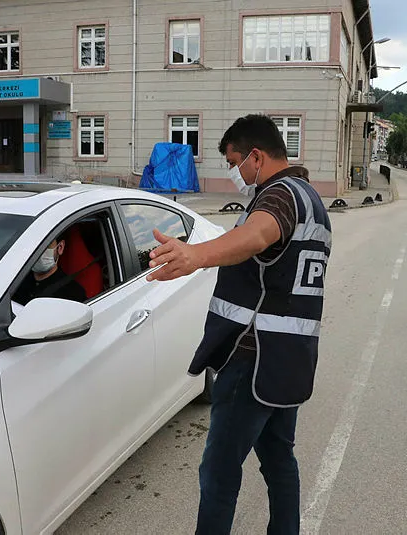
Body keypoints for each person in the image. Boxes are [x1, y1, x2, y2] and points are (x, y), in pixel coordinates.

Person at [146, 114, 331, 534]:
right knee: (279, 460)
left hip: (253, 359)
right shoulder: (312, 200)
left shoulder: (280, 196)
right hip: (290, 361)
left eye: (234, 162)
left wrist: (196, 255)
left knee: (219, 474)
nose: (234, 173)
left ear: (256, 156)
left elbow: (259, 234)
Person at [13, 235, 87, 306]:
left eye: (46, 245)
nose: (39, 251)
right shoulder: (15, 281)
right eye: (35, 245)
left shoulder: (73, 293)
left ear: (60, 247)